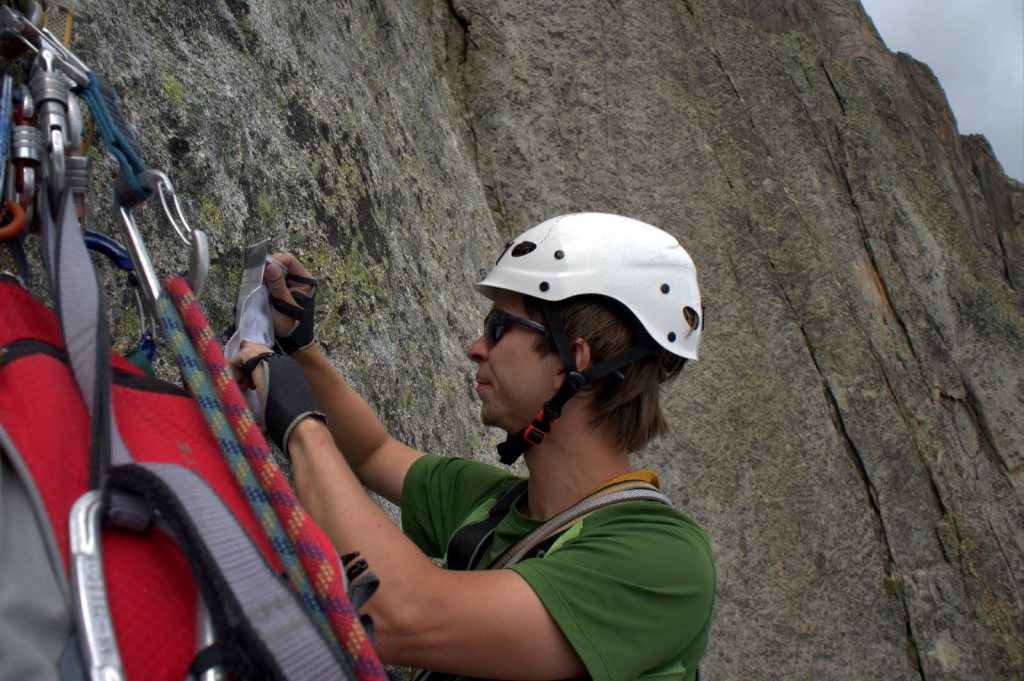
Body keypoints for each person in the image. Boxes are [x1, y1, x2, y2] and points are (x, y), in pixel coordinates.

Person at [230, 212, 716, 680]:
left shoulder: (665, 562)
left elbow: (397, 615)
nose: (475, 347)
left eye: (499, 327)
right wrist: (301, 346)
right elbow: (373, 452)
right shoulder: (494, 508)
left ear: (575, 360)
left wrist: (302, 427)